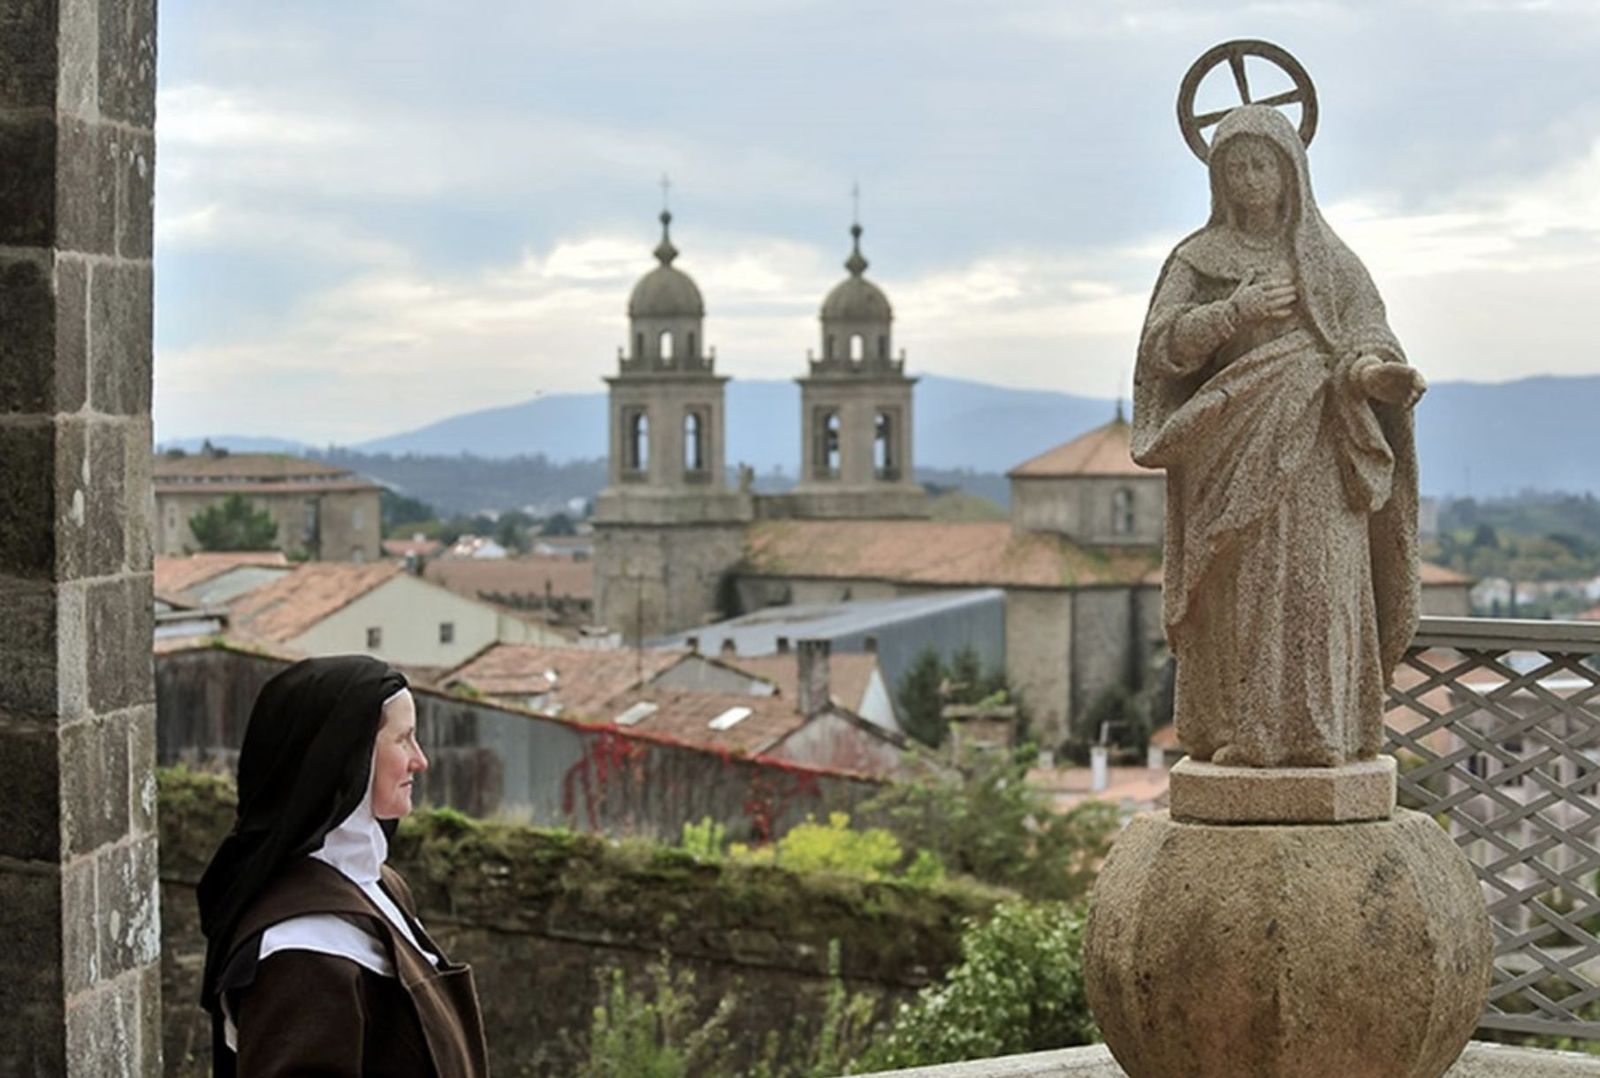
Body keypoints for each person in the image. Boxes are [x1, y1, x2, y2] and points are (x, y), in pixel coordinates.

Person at [1132, 104, 1427, 768]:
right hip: (1231, 449)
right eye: (1234, 167)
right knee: (1247, 588)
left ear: (1291, 172)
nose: (1249, 179)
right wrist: (1232, 311)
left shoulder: (1329, 262)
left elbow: (1363, 340)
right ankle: (1243, 729)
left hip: (1320, 449)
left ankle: (1326, 734)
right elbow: (1160, 350)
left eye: (1262, 163)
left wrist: (1379, 377)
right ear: (1217, 178)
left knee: (1318, 587)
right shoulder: (1198, 257)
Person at [197, 655, 489, 1076]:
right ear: (349, 758)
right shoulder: (299, 946)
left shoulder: (377, 884)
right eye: (403, 739)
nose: (420, 760)